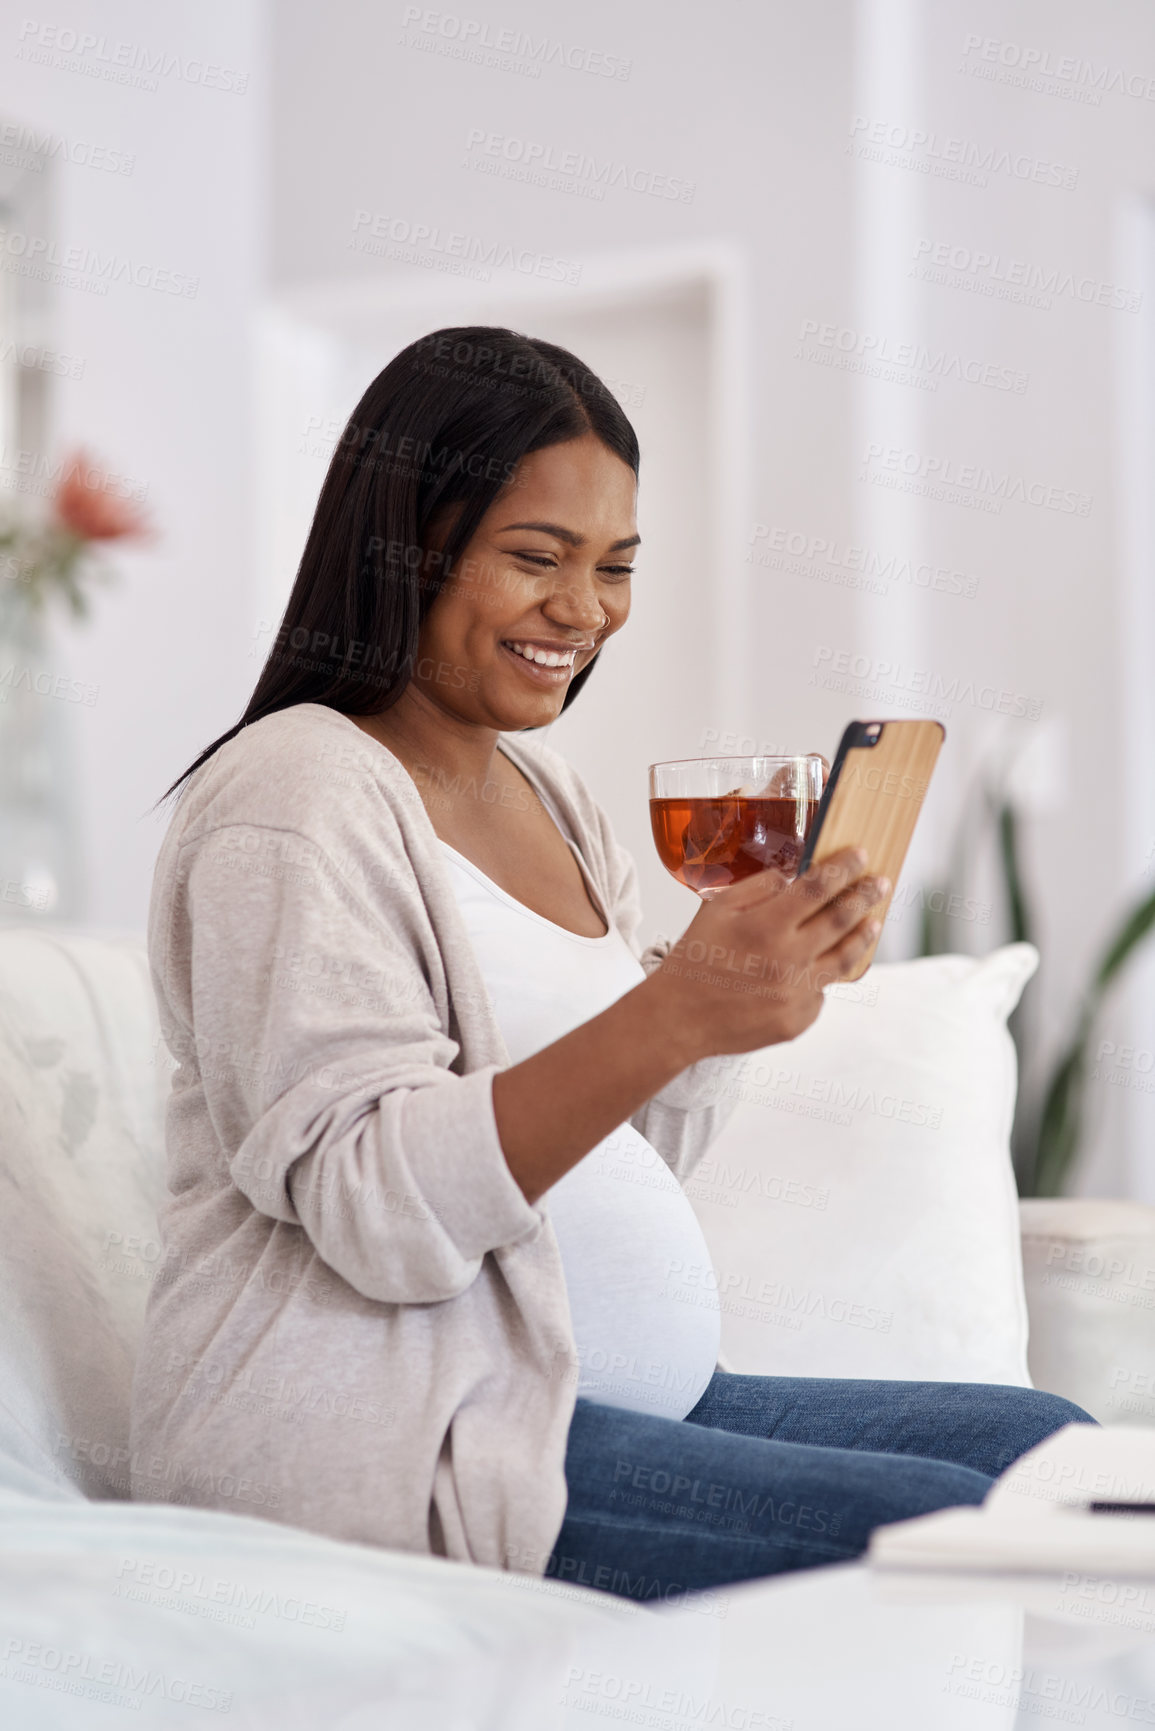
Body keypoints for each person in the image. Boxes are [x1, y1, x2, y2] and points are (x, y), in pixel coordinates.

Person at [131, 325, 1091, 1605]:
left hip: (598, 1395)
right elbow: (370, 1206)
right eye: (538, 557)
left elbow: (633, 1153)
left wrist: (718, 1004)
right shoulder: (294, 793)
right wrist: (676, 1013)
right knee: (956, 1533)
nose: (586, 612)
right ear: (402, 541)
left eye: (617, 567)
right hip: (400, 1437)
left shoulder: (553, 793)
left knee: (1058, 1459)